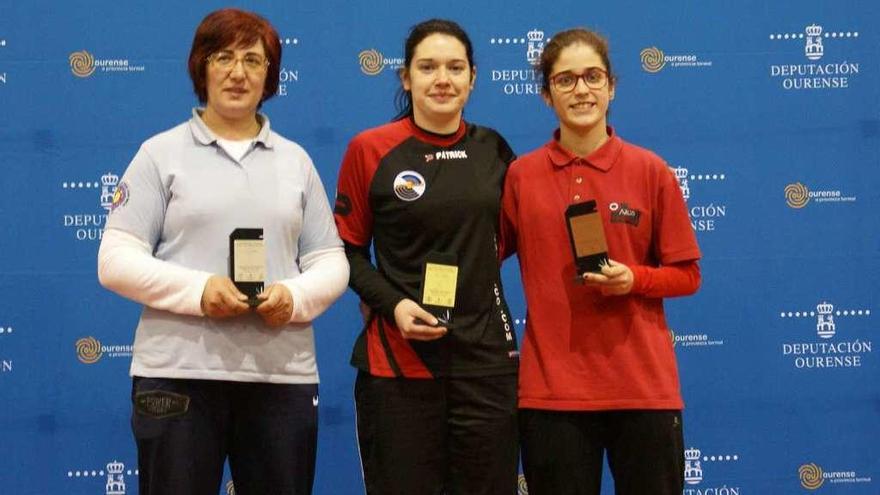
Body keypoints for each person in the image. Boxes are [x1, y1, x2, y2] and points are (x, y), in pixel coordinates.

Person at [97, 8, 348, 495]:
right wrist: (199, 290)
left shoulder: (296, 161)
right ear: (201, 68)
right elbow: (115, 258)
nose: (238, 72)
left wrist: (294, 298)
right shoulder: (159, 154)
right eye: (224, 57)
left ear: (270, 74)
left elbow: (329, 260)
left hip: (281, 378)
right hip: (177, 378)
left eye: (253, 60)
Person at [500, 28, 701, 495]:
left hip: (643, 390)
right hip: (552, 395)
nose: (581, 90)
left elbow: (687, 274)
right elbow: (484, 255)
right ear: (547, 94)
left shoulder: (651, 171)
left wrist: (635, 279)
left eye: (592, 76)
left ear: (611, 87)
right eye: (565, 80)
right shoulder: (521, 176)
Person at [334, 18, 519, 495]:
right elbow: (345, 251)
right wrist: (393, 305)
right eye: (428, 67)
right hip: (399, 366)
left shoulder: (496, 149)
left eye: (456, 67)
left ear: (473, 78)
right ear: (405, 78)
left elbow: (515, 239)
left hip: (487, 364)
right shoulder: (370, 150)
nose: (443, 79)